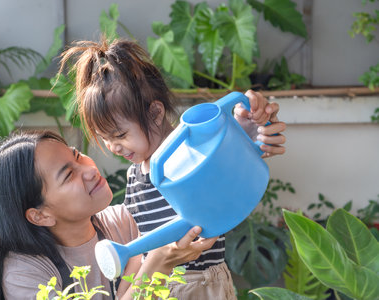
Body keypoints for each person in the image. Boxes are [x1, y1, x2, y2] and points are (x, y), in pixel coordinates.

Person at [58, 38, 287, 299]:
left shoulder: (190, 151)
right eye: (106, 139)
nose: (113, 147)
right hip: (161, 285)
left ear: (155, 113)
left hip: (203, 283)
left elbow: (230, 179)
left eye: (120, 135)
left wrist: (246, 135)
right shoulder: (135, 175)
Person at [0, 130, 217, 300]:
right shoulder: (25, 274)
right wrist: (156, 266)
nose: (89, 170)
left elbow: (201, 196)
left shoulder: (123, 222)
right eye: (68, 175)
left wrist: (248, 131)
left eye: (77, 156)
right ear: (41, 215)